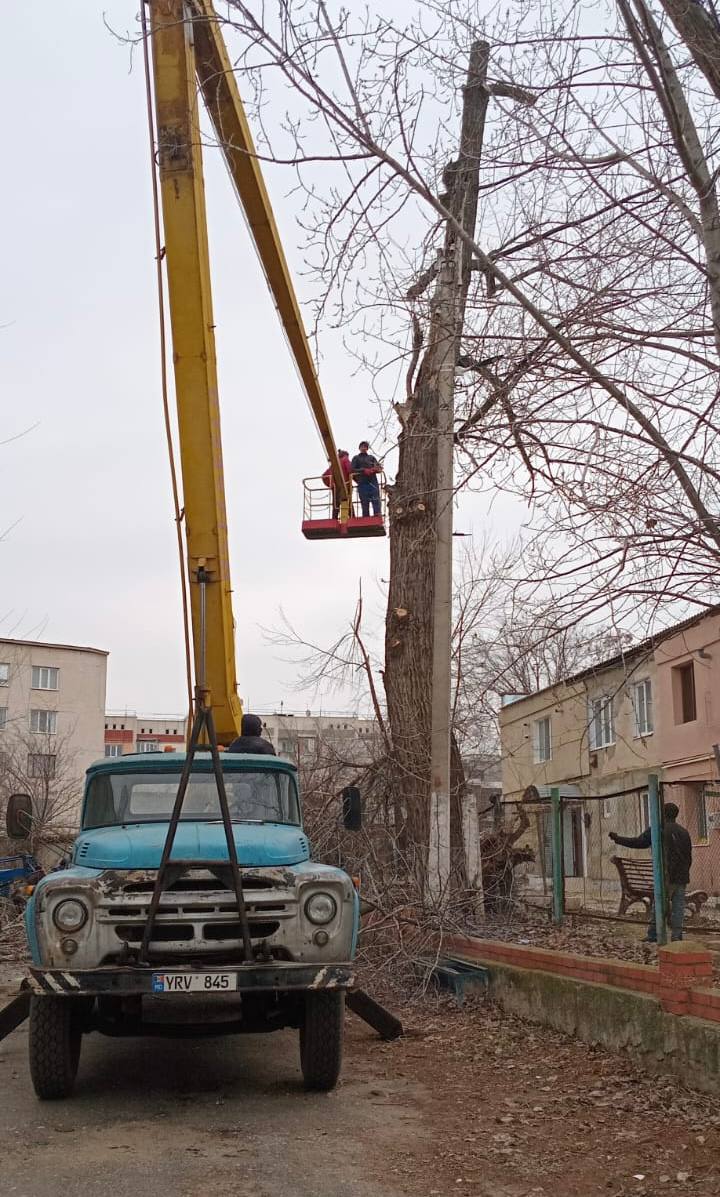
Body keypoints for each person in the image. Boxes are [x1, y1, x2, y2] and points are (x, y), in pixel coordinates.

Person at [608, 801, 691, 941]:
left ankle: (653, 934)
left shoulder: (658, 829)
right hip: (682, 875)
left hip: (666, 874)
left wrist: (618, 839)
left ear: (662, 814)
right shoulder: (684, 832)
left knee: (658, 904)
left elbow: (639, 842)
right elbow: (689, 855)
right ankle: (676, 936)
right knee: (678, 908)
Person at [351, 440, 382, 517]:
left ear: (367, 448)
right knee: (364, 501)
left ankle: (377, 515)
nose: (364, 448)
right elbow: (352, 469)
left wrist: (375, 469)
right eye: (362, 446)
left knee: (375, 499)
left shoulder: (371, 458)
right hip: (362, 482)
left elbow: (379, 467)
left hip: (372, 481)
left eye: (365, 447)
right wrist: (363, 470)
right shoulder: (356, 458)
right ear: (359, 448)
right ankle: (366, 517)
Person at [322, 449, 353, 520]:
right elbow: (350, 470)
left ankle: (334, 519)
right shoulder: (345, 460)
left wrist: (331, 485)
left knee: (336, 504)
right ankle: (352, 517)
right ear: (345, 455)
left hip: (335, 488)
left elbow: (324, 476)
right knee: (348, 502)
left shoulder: (333, 465)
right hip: (346, 485)